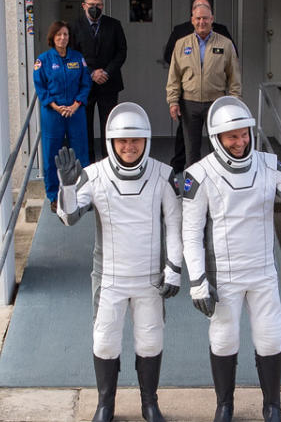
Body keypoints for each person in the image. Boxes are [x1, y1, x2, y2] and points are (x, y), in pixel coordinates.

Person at [181, 96, 281, 422]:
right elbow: (190, 234)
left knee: (271, 336)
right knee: (223, 339)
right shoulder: (198, 174)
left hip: (263, 272)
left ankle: (272, 406)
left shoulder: (268, 163)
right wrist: (197, 282)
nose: (240, 141)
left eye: (244, 133)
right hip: (225, 275)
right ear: (217, 138)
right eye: (232, 136)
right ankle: (225, 405)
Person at [54, 102, 182, 422]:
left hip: (150, 277)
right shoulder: (94, 176)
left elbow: (176, 225)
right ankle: (105, 405)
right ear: (111, 141)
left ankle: (149, 403)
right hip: (110, 276)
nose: (128, 147)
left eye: (135, 140)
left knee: (150, 340)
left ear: (146, 140)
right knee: (105, 341)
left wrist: (174, 268)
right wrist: (67, 187)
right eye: (122, 141)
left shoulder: (162, 175)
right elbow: (68, 217)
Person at [162, 0, 234, 174]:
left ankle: (218, 188)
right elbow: (174, 76)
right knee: (191, 152)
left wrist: (234, 103)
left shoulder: (225, 44)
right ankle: (191, 193)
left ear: (212, 19)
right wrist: (173, 101)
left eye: (205, 18)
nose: (202, 22)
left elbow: (234, 77)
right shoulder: (181, 44)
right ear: (192, 20)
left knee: (218, 149)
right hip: (189, 104)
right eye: (198, 18)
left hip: (215, 104)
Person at [33, 21, 92, 211]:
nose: (62, 38)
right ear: (53, 37)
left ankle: (83, 194)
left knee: (81, 153)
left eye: (65, 34)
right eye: (59, 35)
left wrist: (76, 105)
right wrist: (56, 107)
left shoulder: (77, 58)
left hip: (75, 112)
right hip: (53, 114)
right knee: (52, 154)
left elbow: (86, 84)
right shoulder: (43, 60)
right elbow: (40, 87)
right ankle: (54, 196)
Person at [70, 0, 128, 164]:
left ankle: (108, 163)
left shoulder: (114, 25)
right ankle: (88, 165)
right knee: (85, 126)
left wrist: (106, 72)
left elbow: (121, 51)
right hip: (85, 85)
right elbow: (73, 55)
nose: (95, 8)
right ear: (84, 6)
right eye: (92, 5)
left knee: (108, 126)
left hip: (109, 84)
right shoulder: (74, 26)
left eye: (99, 5)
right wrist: (91, 73)